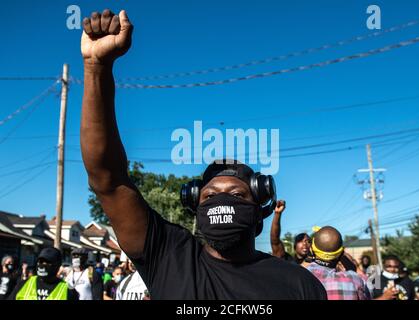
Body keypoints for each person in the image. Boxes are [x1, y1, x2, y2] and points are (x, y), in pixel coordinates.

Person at [80, 8, 327, 300]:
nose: (221, 200)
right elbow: (108, 178)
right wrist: (97, 67)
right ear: (195, 205)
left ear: (260, 211)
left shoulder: (300, 285)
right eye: (210, 197)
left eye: (236, 195)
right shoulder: (170, 256)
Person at [306, 226, 370, 300]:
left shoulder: (300, 276)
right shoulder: (353, 279)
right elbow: (369, 290)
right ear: (341, 253)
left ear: (311, 249)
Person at [8, 248, 78, 300]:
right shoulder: (23, 284)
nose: (42, 265)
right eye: (40, 261)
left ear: (57, 265)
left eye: (47, 262)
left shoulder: (68, 291)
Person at [270, 200, 312, 266]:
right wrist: (277, 214)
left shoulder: (315, 265)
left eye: (308, 241)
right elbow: (275, 241)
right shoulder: (288, 261)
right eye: (301, 240)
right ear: (295, 246)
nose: (305, 243)